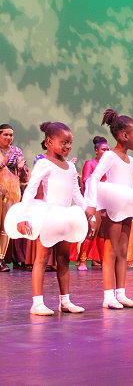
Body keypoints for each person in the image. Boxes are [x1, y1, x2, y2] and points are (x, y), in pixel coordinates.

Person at [5, 122, 91, 315]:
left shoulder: (70, 166)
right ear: (49, 142)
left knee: (63, 259)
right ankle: (37, 303)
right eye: (64, 142)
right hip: (48, 216)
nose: (68, 146)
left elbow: (76, 193)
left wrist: (87, 211)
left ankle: (65, 301)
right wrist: (23, 216)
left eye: (70, 143)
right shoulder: (43, 163)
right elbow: (31, 190)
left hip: (65, 217)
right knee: (42, 259)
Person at [85, 109, 133, 309]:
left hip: (126, 206)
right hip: (113, 206)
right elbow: (94, 178)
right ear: (124, 136)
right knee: (111, 250)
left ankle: (121, 293)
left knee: (123, 250)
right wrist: (92, 204)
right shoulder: (110, 156)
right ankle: (108, 296)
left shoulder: (130, 160)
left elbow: (129, 186)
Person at [74, 136, 110, 270]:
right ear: (96, 151)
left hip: (106, 200)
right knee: (92, 229)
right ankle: (82, 261)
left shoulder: (109, 166)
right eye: (103, 150)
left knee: (103, 232)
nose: (106, 152)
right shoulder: (91, 163)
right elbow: (86, 180)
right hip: (93, 200)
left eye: (108, 150)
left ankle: (103, 261)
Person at [0, 123, 29, 272]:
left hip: (10, 191)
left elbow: (23, 176)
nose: (9, 137)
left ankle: (1, 259)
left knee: (5, 225)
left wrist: (21, 168)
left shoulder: (16, 151)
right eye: (5, 134)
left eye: (11, 135)